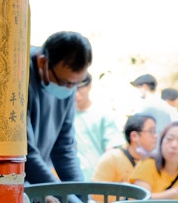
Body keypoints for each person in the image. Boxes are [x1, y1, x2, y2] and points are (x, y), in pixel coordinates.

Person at [25, 32, 91, 186]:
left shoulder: (69, 85)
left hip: (41, 181)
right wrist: (67, 198)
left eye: (77, 83)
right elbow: (26, 153)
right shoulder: (20, 76)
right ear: (42, 63)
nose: (71, 89)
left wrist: (81, 196)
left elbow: (64, 148)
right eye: (66, 82)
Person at [129, 121, 178, 200]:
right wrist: (177, 191)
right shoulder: (147, 164)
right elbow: (142, 199)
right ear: (161, 142)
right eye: (169, 139)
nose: (174, 145)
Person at [74, 76, 123, 180]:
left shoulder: (102, 112)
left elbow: (111, 148)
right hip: (71, 177)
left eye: (80, 88)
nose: (76, 93)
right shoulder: (64, 114)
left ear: (89, 86)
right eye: (72, 87)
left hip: (98, 178)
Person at [93, 114, 157, 185]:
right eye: (151, 131)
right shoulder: (112, 158)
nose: (155, 136)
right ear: (134, 136)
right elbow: (96, 192)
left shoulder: (155, 162)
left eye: (155, 131)